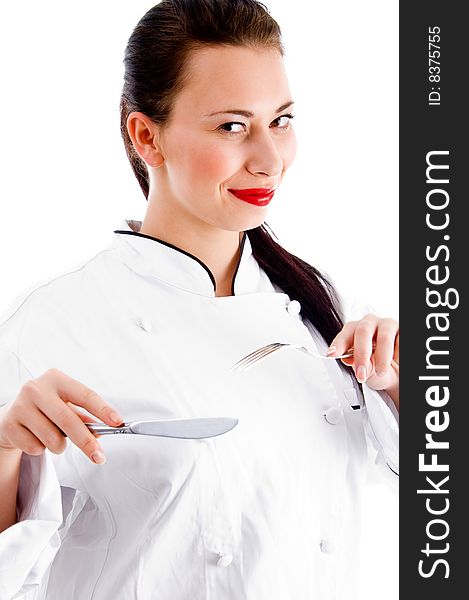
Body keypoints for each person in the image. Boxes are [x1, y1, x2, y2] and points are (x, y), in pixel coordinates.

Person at [0, 1, 399, 598]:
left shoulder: (328, 307)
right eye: (231, 126)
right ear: (146, 135)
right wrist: (5, 450)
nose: (269, 161)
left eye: (282, 121)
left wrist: (404, 385)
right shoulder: (58, 323)